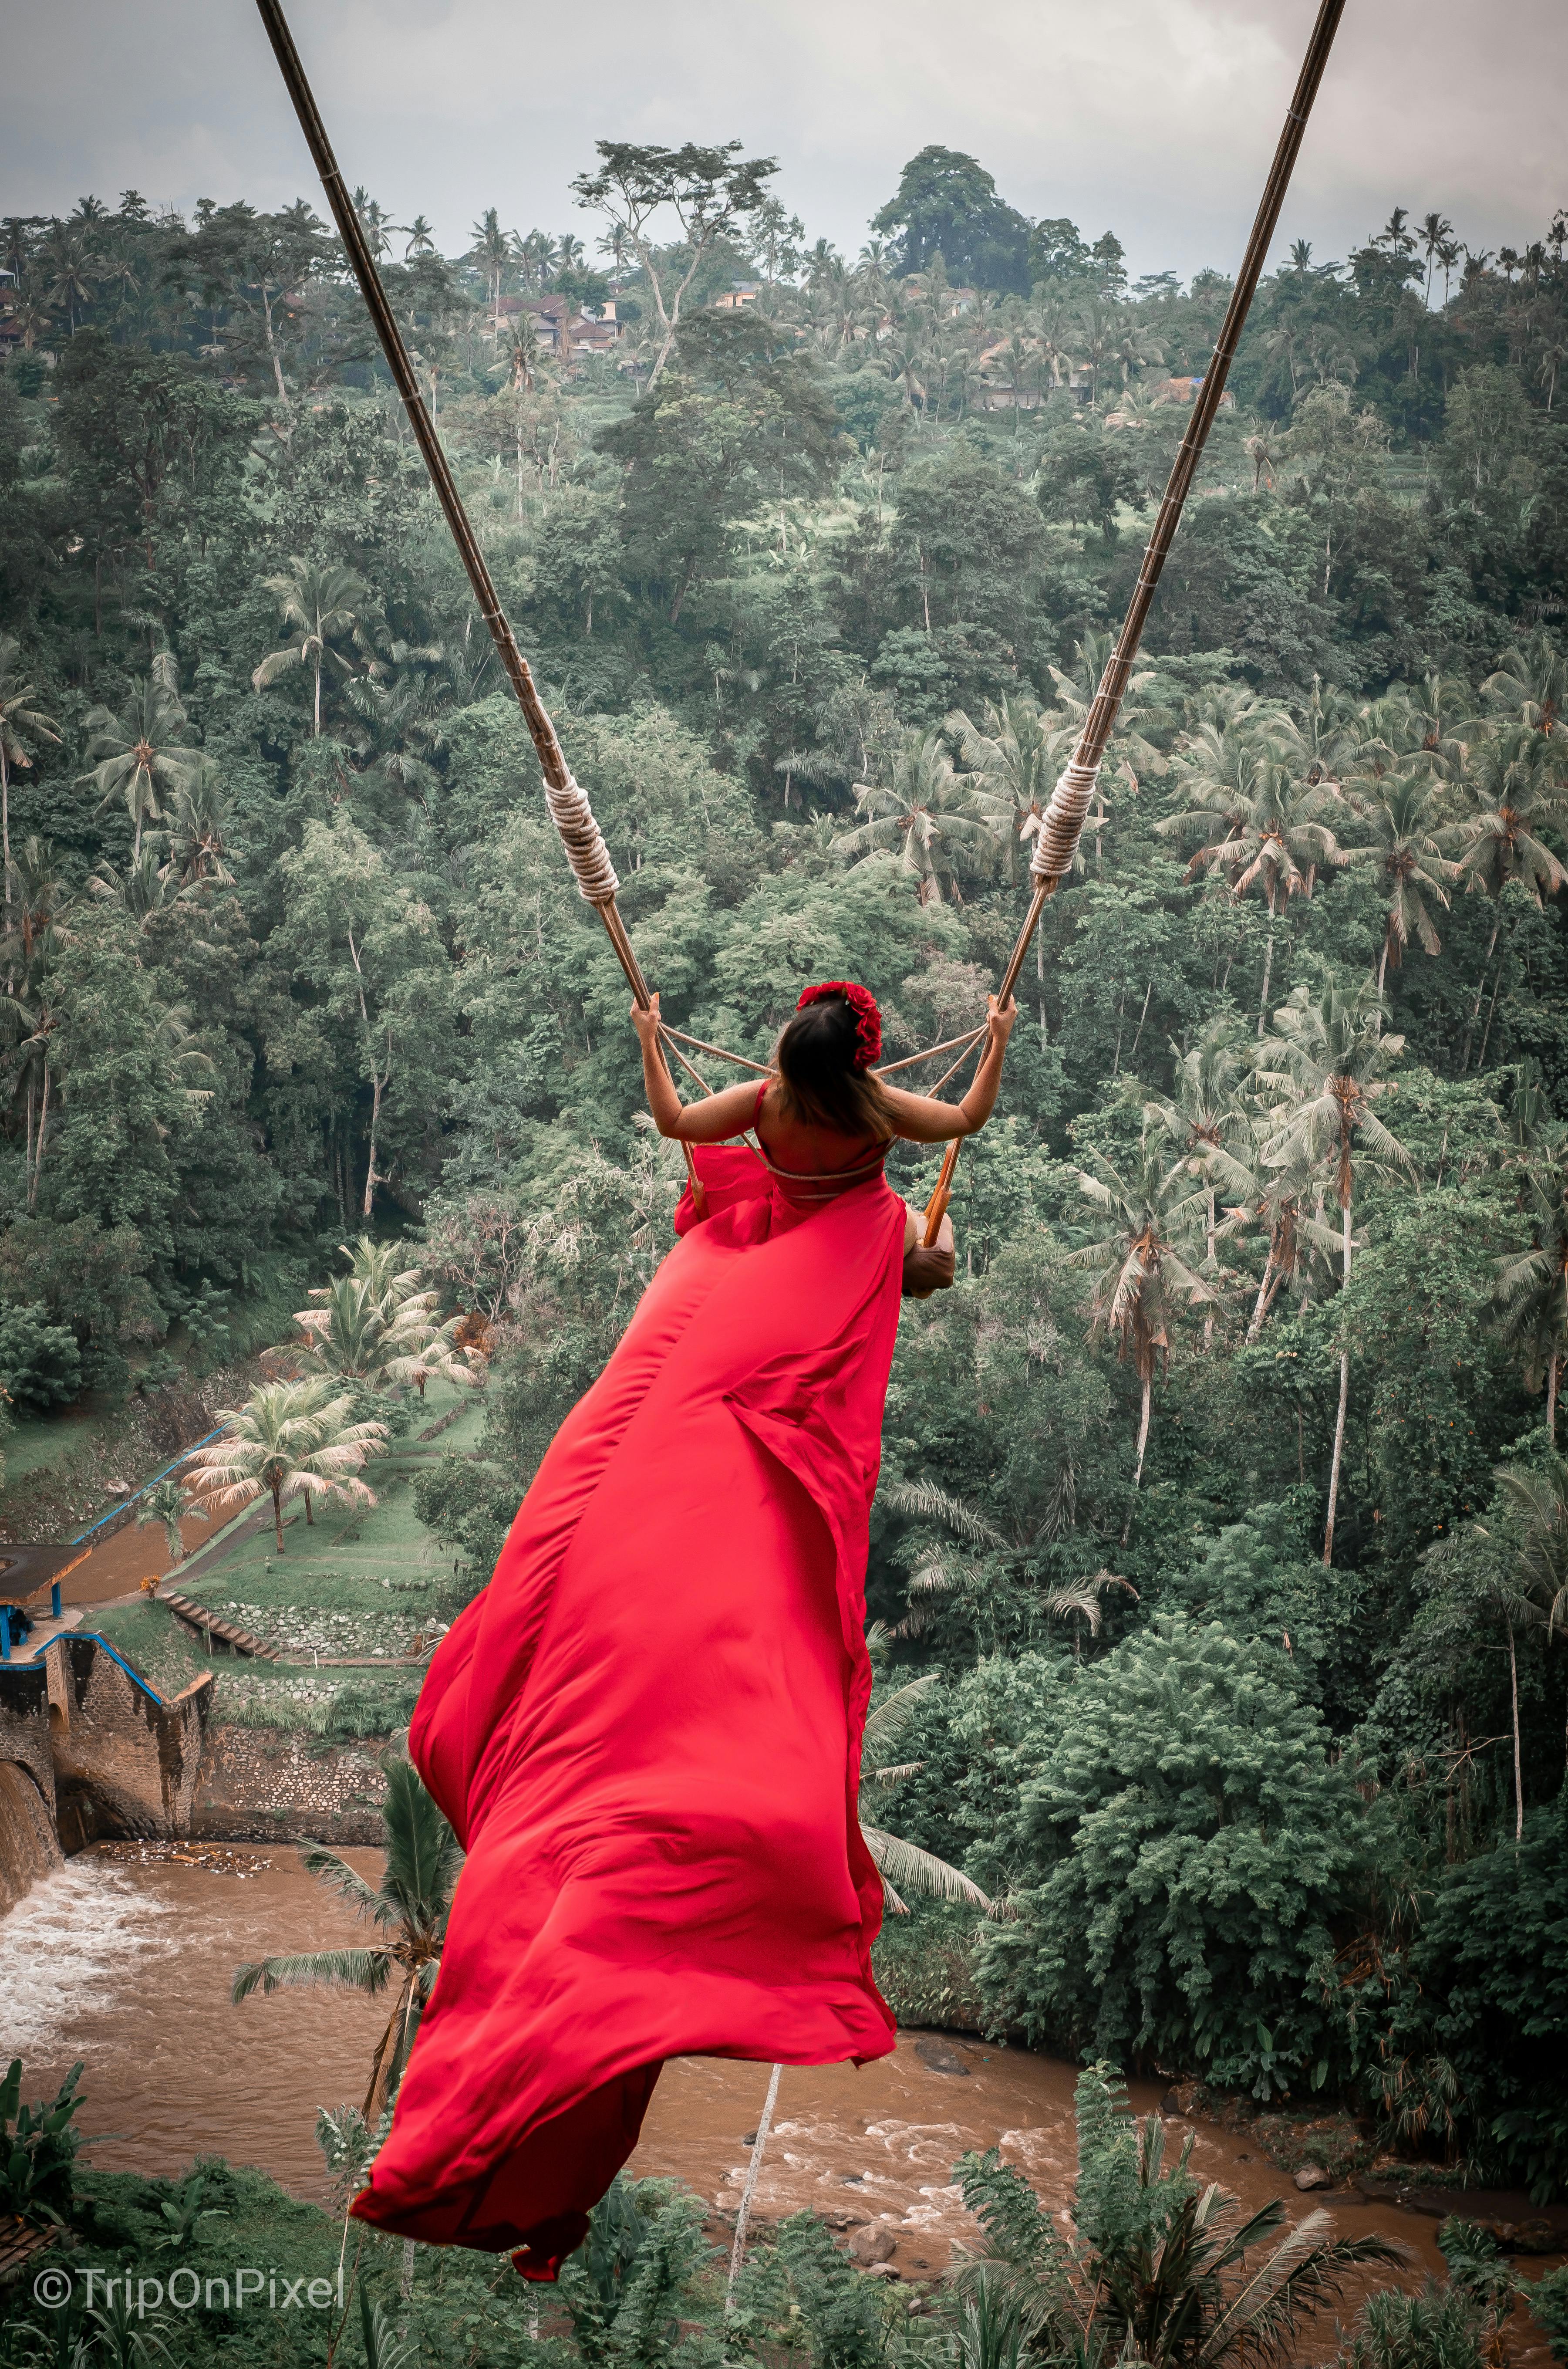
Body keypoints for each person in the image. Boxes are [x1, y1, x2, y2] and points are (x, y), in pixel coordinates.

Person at [351, 981, 1016, 2279]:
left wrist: (654, 1033)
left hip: (754, 1271)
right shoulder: (878, 1112)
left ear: (790, 1051)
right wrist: (991, 1041)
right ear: (866, 1060)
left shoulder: (764, 1100)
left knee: (638, 1466)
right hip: (810, 1275)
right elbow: (972, 1113)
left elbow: (668, 1117)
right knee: (718, 1470)